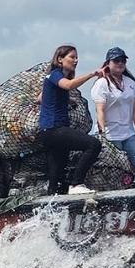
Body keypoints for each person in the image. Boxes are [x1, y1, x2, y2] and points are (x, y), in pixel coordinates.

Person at [39, 45, 103, 195]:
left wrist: (66, 101)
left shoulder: (54, 79)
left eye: (76, 57)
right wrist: (92, 74)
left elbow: (40, 98)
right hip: (54, 129)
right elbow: (68, 85)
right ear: (60, 59)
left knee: (57, 177)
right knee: (93, 145)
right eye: (72, 57)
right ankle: (77, 183)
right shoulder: (55, 74)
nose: (76, 60)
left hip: (49, 132)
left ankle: (49, 212)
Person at [91, 46, 135, 187]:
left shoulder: (131, 83)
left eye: (123, 61)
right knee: (116, 170)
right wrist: (102, 134)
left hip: (128, 134)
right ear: (108, 63)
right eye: (116, 60)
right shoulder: (101, 84)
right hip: (110, 135)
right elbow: (99, 109)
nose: (120, 63)